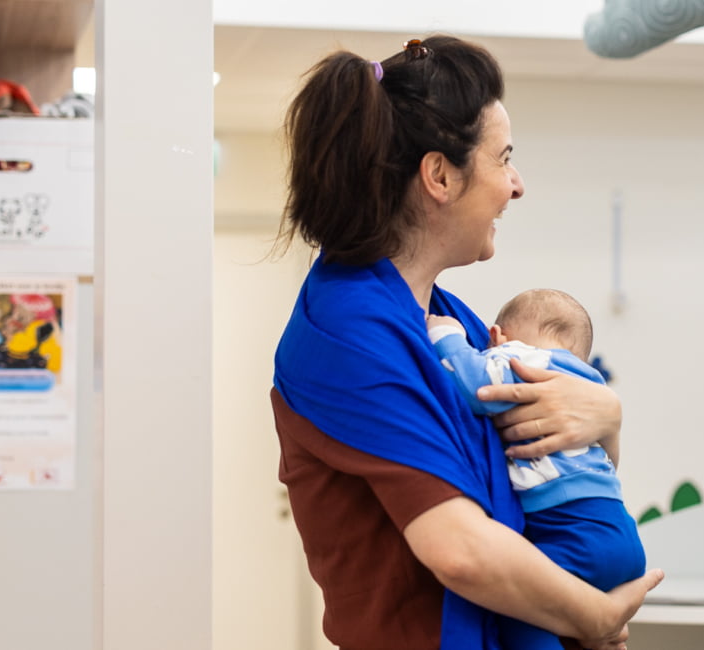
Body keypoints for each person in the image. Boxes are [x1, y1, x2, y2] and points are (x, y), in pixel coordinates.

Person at [270, 36, 661, 650]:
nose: (516, 185)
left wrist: (607, 418)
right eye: (503, 159)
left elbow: (552, 467)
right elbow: (459, 550)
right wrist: (594, 618)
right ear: (440, 176)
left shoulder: (447, 318)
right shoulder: (348, 333)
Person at [424, 289, 647, 649]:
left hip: (571, 536)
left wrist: (446, 336)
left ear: (498, 336)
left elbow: (473, 384)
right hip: (620, 535)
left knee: (522, 607)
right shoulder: (586, 380)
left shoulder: (523, 361)